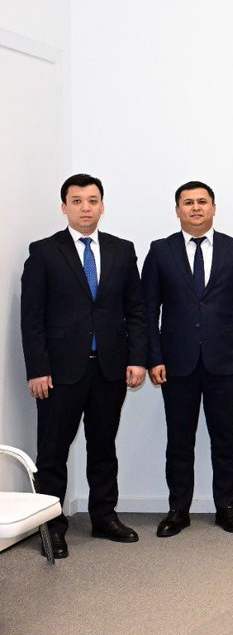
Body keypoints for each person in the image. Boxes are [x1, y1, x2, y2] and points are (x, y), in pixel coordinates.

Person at [20, 174, 148, 557]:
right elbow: (32, 317)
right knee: (52, 453)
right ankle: (51, 527)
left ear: (102, 206)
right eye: (77, 201)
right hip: (59, 373)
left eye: (92, 200)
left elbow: (136, 310)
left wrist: (137, 359)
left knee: (103, 447)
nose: (85, 208)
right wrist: (37, 368)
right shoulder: (44, 252)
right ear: (64, 207)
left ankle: (104, 517)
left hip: (110, 368)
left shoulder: (122, 251)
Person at [142, 181, 233, 537]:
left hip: (226, 361)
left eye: (202, 201)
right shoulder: (160, 251)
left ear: (213, 208)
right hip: (176, 362)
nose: (196, 207)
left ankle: (225, 507)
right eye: (188, 202)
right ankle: (178, 510)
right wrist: (153, 357)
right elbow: (148, 311)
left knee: (224, 437)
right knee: (179, 440)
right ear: (177, 210)